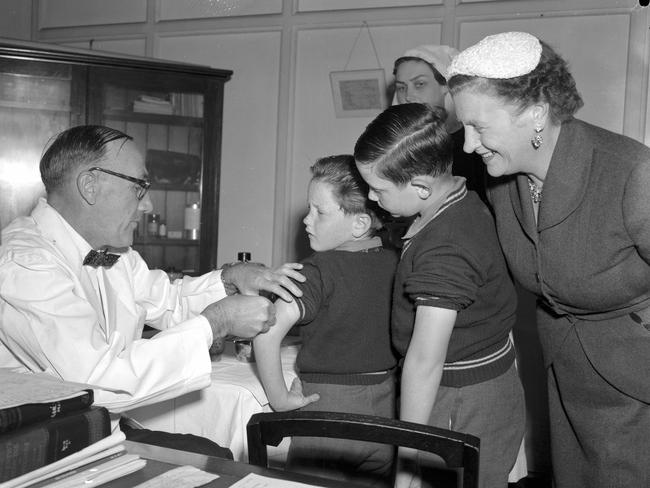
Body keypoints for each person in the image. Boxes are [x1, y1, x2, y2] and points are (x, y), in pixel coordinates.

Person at [0, 125, 305, 456]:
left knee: (217, 455)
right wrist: (218, 322)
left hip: (101, 436)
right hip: (40, 453)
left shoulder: (111, 252)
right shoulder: (25, 264)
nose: (147, 207)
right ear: (90, 185)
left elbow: (168, 302)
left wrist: (229, 280)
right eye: (139, 188)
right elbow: (94, 381)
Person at [446, 31, 650, 488]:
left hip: (638, 386)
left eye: (480, 127)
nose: (468, 145)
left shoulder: (631, 171)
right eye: (465, 128)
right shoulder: (502, 176)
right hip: (567, 372)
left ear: (536, 112)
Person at [354, 103, 525, 488]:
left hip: (459, 400)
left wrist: (407, 460)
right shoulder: (458, 198)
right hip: (481, 386)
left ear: (421, 187)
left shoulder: (445, 248)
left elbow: (424, 363)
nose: (370, 195)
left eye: (378, 188)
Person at [254, 155, 398, 487]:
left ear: (360, 224)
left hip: (326, 416)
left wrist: (279, 399)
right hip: (384, 414)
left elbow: (265, 334)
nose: (307, 220)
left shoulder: (317, 270)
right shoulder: (396, 261)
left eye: (320, 212)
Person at [393, 44, 488, 206]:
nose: (408, 96)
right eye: (401, 87)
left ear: (446, 85)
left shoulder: (477, 141)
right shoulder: (402, 143)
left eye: (419, 84)